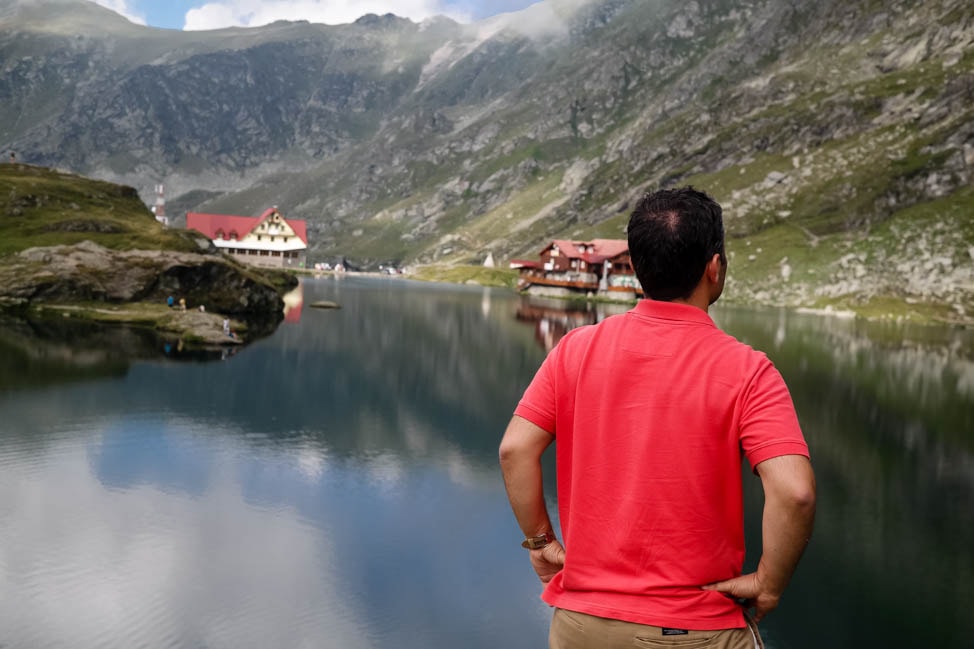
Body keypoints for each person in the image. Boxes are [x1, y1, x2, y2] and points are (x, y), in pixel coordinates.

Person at [499, 186, 816, 649]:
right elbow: (795, 493)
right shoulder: (749, 370)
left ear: (637, 266)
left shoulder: (574, 350)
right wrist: (769, 582)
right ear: (714, 267)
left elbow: (514, 449)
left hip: (580, 625)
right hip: (694, 629)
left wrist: (541, 542)